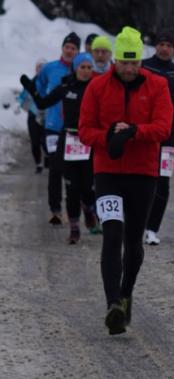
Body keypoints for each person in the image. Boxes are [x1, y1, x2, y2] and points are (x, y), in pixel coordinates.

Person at [78, 26, 173, 335]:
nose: (130, 69)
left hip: (143, 173)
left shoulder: (157, 85)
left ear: (140, 61)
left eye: (135, 63)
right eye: (124, 63)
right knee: (112, 234)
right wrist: (108, 137)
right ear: (115, 60)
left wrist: (134, 131)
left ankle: (126, 293)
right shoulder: (97, 86)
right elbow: (84, 130)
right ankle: (113, 305)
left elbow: (163, 127)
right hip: (107, 172)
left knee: (133, 240)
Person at [22, 53, 99, 242]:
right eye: (83, 67)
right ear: (75, 68)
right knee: (71, 186)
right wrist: (32, 90)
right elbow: (42, 103)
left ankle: (89, 209)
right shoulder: (66, 87)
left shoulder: (97, 87)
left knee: (88, 186)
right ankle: (74, 228)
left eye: (89, 67)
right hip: (69, 140)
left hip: (89, 141)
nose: (86, 71)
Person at [141, 29, 174, 246]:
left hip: (168, 136)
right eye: (161, 44)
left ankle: (152, 228)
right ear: (156, 46)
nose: (165, 48)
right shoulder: (143, 66)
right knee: (139, 180)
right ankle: (136, 224)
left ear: (173, 49)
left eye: (169, 45)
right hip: (142, 134)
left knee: (162, 182)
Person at [35, 31, 79, 225]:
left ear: (78, 51)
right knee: (55, 166)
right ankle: (55, 209)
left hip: (74, 130)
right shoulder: (50, 68)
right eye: (67, 47)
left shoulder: (81, 70)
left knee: (72, 171)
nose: (69, 51)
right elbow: (40, 85)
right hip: (53, 126)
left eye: (73, 48)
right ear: (62, 48)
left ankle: (72, 210)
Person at [17, 60, 46, 174]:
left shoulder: (50, 81)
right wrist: (17, 105)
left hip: (47, 116)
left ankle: (48, 156)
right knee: (35, 141)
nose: (40, 70)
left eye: (43, 67)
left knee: (45, 141)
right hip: (33, 115)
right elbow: (22, 96)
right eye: (39, 67)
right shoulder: (31, 82)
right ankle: (38, 164)